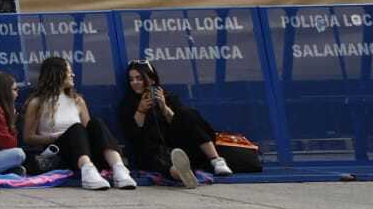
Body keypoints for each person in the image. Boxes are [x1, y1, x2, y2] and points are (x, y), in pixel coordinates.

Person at [21, 57, 137, 190]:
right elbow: (28, 138)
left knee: (96, 123)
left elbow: (89, 131)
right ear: (57, 73)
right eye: (69, 71)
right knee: (76, 128)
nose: (73, 75)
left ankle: (119, 169)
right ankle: (87, 172)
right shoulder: (37, 103)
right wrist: (55, 137)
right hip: (60, 155)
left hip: (85, 153)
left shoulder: (78, 100)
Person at [117, 60, 232, 188]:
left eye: (139, 78)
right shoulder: (127, 104)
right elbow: (134, 135)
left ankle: (216, 160)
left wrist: (164, 108)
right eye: (131, 79)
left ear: (152, 80)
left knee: (187, 113)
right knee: (159, 160)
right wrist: (141, 111)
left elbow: (182, 123)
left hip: (176, 146)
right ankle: (181, 174)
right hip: (151, 152)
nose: (135, 83)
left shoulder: (169, 98)